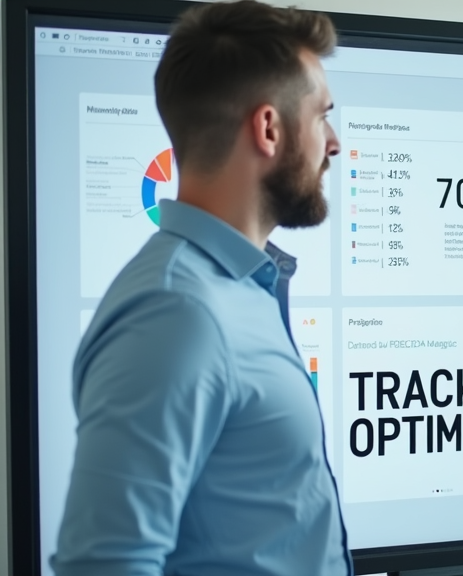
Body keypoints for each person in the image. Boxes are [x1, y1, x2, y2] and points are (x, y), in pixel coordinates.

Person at [51, 2, 348, 575]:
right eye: (321, 117)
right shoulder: (175, 313)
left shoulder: (241, 288)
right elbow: (107, 563)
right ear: (269, 128)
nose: (332, 143)